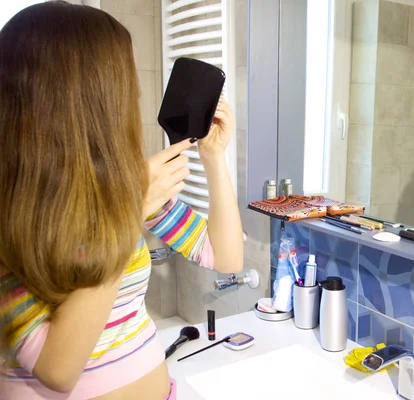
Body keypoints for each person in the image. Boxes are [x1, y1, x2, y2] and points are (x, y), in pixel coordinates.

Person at [0, 2, 243, 399]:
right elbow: (57, 368)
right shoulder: (12, 207)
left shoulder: (124, 184)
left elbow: (226, 257)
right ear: (82, 97)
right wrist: (128, 215)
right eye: (123, 79)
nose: (135, 91)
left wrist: (214, 159)